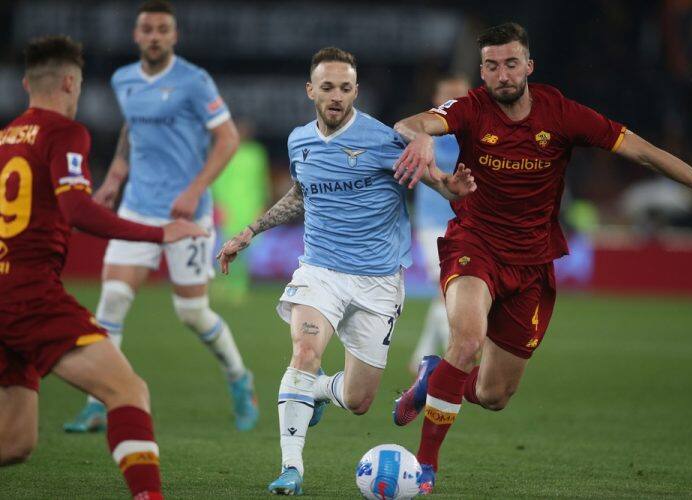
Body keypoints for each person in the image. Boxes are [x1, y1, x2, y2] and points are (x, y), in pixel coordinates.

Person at [391, 22, 692, 494]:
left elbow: (643, 152)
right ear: (482, 71)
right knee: (467, 339)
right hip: (474, 246)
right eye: (492, 66)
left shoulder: (561, 113)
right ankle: (424, 467)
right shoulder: (470, 108)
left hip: (532, 263)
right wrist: (420, 137)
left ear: (529, 66)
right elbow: (407, 124)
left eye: (511, 63)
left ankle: (436, 376)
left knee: (493, 395)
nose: (502, 74)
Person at [216, 47, 476, 496]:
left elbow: (438, 183)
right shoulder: (299, 141)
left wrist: (451, 188)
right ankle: (291, 468)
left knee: (358, 400)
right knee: (305, 351)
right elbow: (301, 194)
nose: (336, 95)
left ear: (356, 91)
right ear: (311, 90)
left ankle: (318, 392)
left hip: (378, 281)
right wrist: (250, 231)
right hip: (320, 271)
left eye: (345, 87)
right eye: (328, 87)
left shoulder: (383, 140)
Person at [0, 35, 207, 500]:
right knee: (127, 390)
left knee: (14, 441)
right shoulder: (65, 133)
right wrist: (159, 233)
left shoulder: (5, 139)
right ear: (70, 84)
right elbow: (77, 212)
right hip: (29, 295)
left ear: (26, 84)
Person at [64, 0, 259, 433]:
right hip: (137, 208)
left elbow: (227, 138)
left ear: (174, 36)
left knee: (192, 312)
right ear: (137, 35)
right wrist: (116, 175)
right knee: (112, 301)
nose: (154, 36)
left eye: (162, 29)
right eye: (147, 29)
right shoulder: (124, 79)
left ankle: (239, 379)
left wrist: (194, 190)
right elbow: (132, 127)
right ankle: (98, 402)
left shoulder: (194, 81)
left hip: (186, 215)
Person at [410, 74, 470, 374]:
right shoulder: (425, 134)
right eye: (450, 96)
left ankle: (421, 356)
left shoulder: (475, 133)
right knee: (449, 288)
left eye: (462, 96)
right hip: (433, 223)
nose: (456, 102)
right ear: (437, 101)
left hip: (466, 222)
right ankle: (454, 360)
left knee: (448, 290)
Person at [211, 118, 271, 301]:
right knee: (224, 246)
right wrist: (219, 204)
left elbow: (262, 181)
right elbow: (217, 180)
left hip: (250, 207)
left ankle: (239, 285)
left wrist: (262, 205)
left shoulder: (256, 153)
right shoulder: (225, 151)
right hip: (229, 207)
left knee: (244, 249)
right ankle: (221, 283)